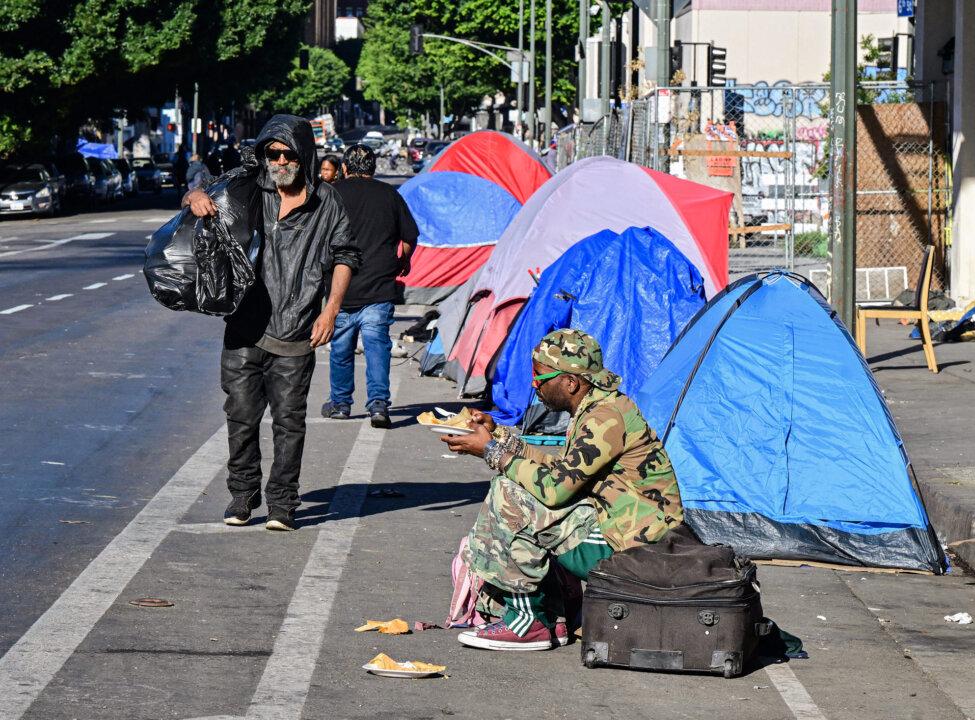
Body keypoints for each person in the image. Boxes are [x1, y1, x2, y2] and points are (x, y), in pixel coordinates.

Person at [441, 329, 684, 651]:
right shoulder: (599, 408)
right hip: (624, 529)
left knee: (512, 495)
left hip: (637, 546)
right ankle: (554, 618)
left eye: (541, 377)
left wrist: (492, 454)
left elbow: (555, 490)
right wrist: (497, 435)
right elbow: (564, 472)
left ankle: (528, 622)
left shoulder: (606, 417)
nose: (534, 384)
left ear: (570, 382)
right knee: (521, 487)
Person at [183, 114, 361, 532]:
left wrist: (330, 309)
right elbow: (198, 194)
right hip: (245, 327)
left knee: (289, 422)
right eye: (272, 153)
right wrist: (194, 196)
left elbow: (345, 256)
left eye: (287, 154)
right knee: (241, 417)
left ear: (304, 155)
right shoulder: (248, 186)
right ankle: (243, 496)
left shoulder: (327, 201)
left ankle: (283, 503)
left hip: (297, 328)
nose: (279, 161)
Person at [321, 144, 418, 428]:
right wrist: (404, 261)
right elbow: (409, 236)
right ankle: (378, 405)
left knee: (341, 349)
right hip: (379, 287)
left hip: (341, 289)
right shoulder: (390, 194)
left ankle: (340, 404)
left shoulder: (332, 194)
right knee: (377, 348)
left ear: (345, 169)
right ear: (373, 169)